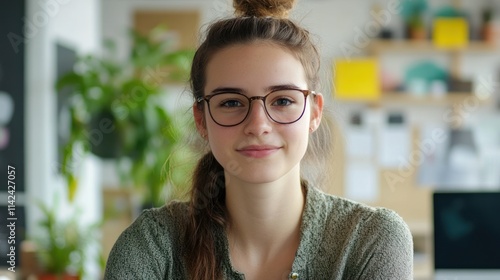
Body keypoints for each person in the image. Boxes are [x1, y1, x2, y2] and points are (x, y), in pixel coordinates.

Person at [103, 0, 414, 279]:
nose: (258, 124)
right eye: (231, 102)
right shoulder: (152, 245)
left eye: (282, 100)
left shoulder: (371, 239)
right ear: (201, 119)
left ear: (314, 112)